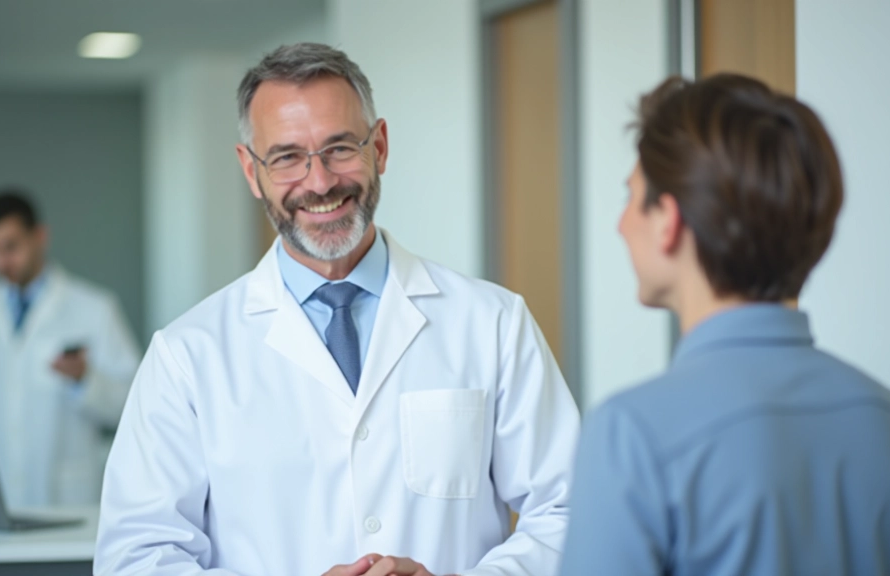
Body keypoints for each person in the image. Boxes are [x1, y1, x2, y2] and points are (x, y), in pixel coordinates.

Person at [95, 43, 580, 576]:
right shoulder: (187, 355)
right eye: (286, 158)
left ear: (381, 147)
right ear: (251, 171)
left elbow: (570, 511)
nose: (321, 181)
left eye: (340, 148)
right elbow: (135, 558)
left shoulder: (492, 323)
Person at [561, 74, 890, 575]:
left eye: (631, 197)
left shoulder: (631, 436)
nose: (620, 224)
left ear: (669, 221)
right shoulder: (889, 420)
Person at [0, 190, 141, 507]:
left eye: (10, 247)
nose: (0, 262)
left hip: (65, 500)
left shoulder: (95, 309)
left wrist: (85, 380)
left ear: (40, 236)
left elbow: (134, 405)